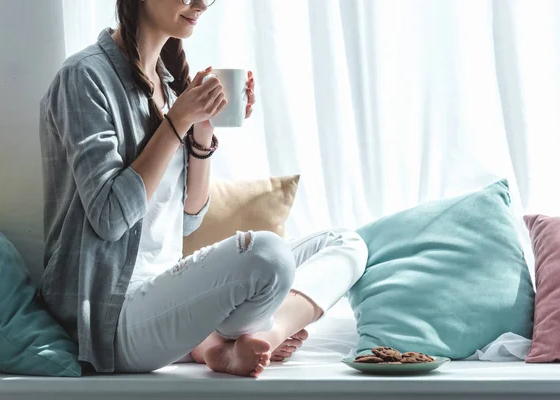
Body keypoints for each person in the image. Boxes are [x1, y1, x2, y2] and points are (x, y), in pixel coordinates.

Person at [38, 0, 367, 378]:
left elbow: (189, 220)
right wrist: (177, 120)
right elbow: (110, 218)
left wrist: (202, 129)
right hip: (111, 315)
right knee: (267, 254)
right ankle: (220, 338)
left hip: (166, 296)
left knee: (345, 242)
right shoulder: (84, 77)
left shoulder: (165, 84)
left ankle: (265, 335)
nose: (200, 4)